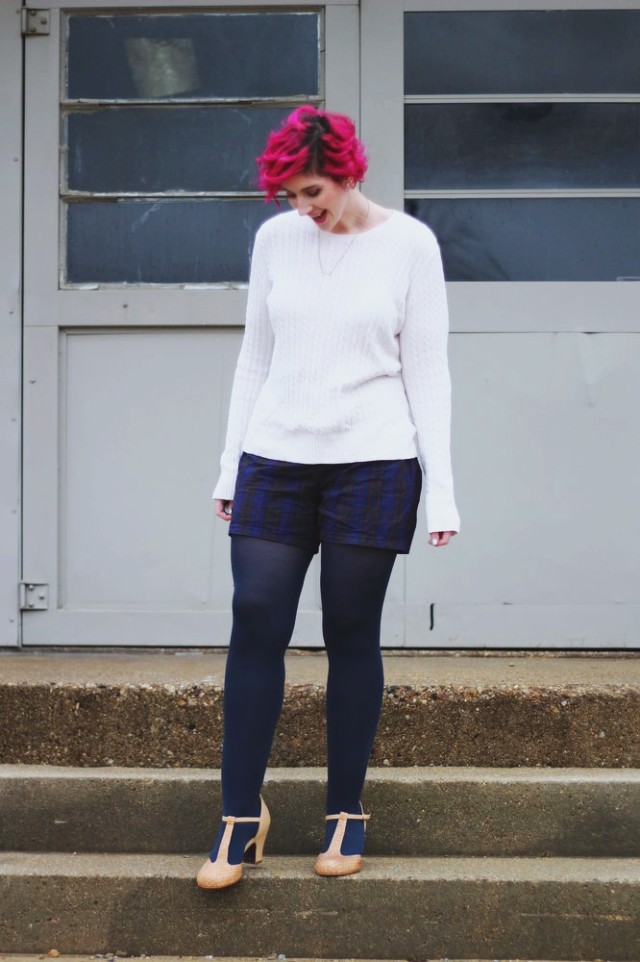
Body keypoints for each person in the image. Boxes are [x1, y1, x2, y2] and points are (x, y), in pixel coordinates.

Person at [196, 105, 460, 890]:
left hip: (375, 462)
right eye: (289, 194)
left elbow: (429, 372)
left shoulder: (411, 245)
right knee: (256, 619)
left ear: (350, 173)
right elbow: (254, 359)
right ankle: (238, 817)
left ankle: (345, 811)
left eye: (312, 191)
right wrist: (228, 468)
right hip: (276, 458)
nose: (302, 208)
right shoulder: (277, 240)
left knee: (350, 630)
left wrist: (440, 490)